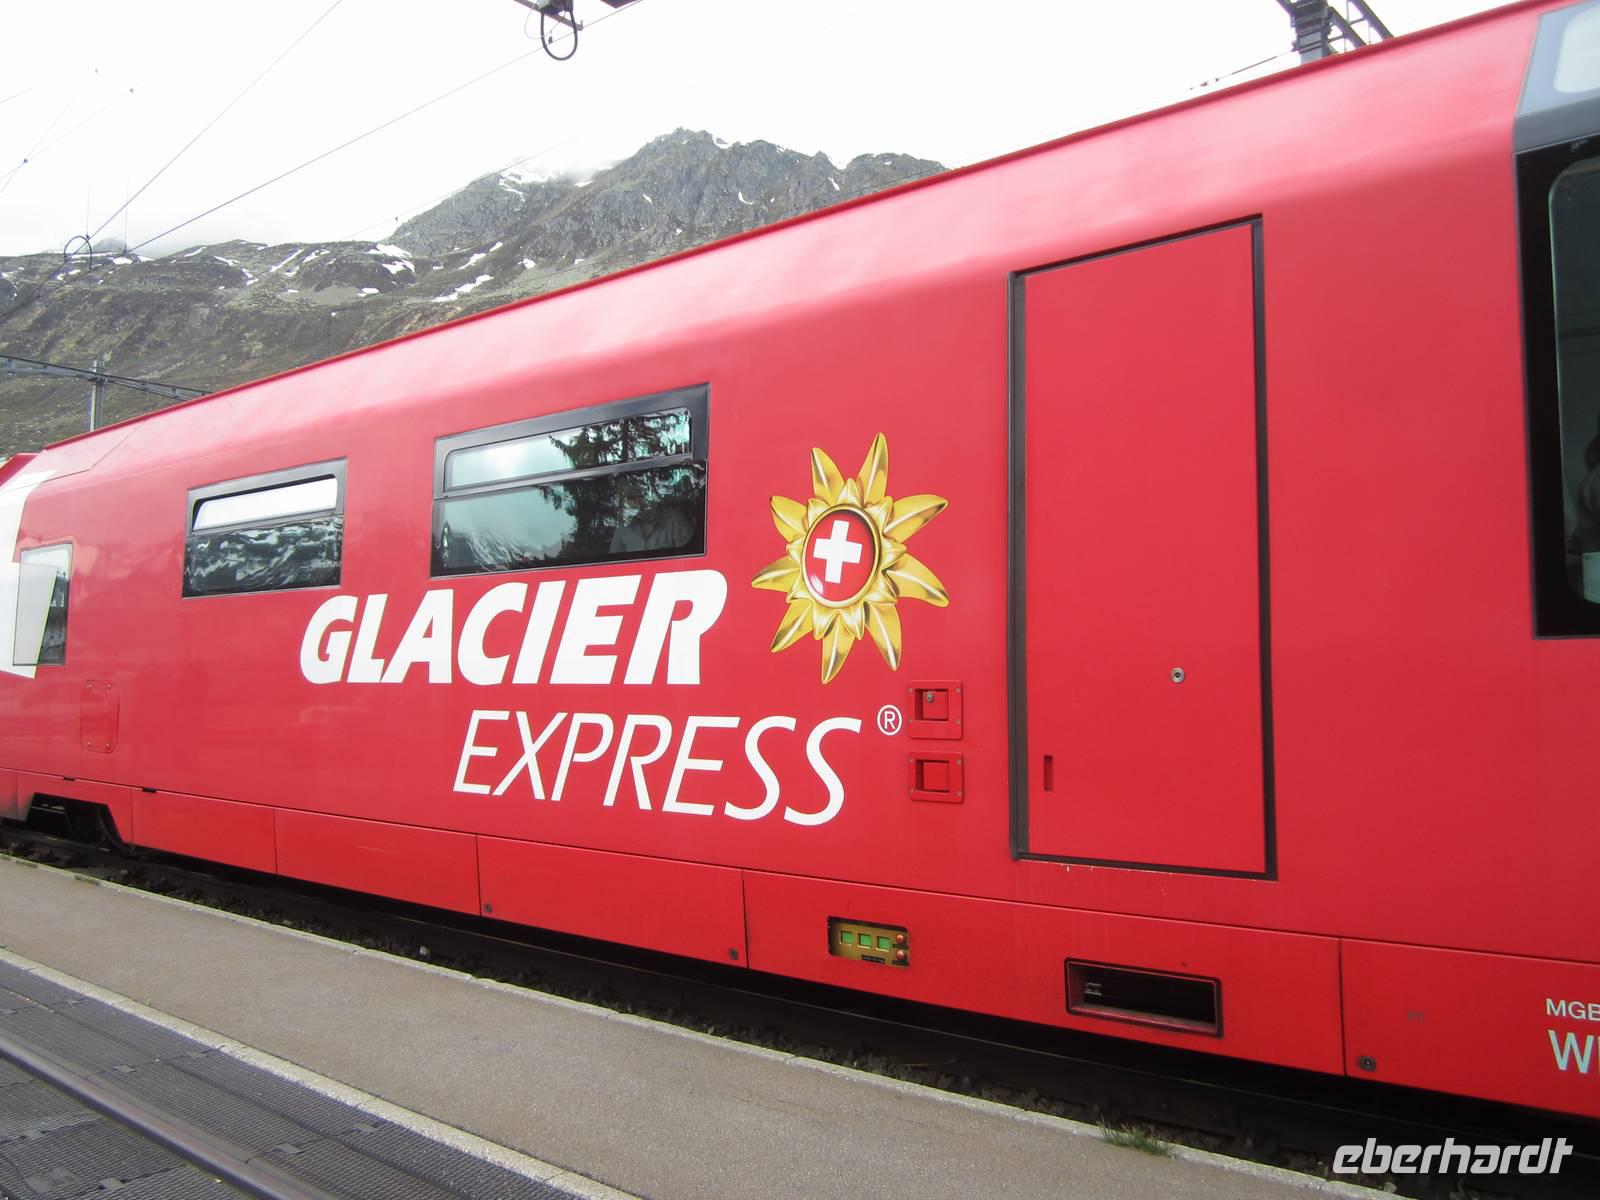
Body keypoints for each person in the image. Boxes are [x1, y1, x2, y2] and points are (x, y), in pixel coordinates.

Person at [610, 474, 692, 555]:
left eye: (642, 495)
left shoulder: (675, 520)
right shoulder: (623, 527)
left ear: (653, 494)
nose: (638, 503)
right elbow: (612, 564)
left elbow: (689, 562)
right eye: (631, 498)